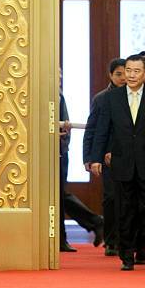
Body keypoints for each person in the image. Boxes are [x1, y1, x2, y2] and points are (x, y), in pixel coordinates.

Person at [90, 55, 145, 271]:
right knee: (125, 210)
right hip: (121, 164)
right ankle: (127, 255)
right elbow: (102, 129)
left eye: (136, 71)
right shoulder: (111, 98)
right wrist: (96, 158)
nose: (131, 75)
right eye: (128, 71)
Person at [83, 58, 126, 256]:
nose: (124, 77)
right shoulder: (101, 98)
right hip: (108, 158)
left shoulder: (134, 96)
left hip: (129, 155)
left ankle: (127, 240)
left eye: (127, 73)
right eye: (118, 74)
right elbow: (92, 129)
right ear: (110, 75)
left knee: (128, 200)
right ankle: (111, 241)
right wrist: (90, 158)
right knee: (110, 199)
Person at [59, 74, 104, 253]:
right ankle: (95, 222)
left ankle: (93, 223)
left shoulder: (58, 94)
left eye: (62, 75)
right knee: (58, 195)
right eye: (56, 74)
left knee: (57, 195)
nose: (60, 78)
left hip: (58, 152)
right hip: (51, 151)